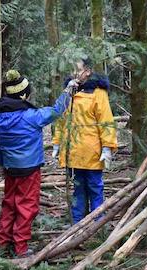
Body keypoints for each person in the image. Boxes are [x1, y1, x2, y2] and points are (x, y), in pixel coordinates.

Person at [0, 70, 86, 258]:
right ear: (24, 94)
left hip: (10, 168)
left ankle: (3, 242)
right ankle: (21, 248)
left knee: (9, 203)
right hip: (29, 169)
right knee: (26, 206)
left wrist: (2, 164)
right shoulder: (33, 116)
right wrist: (68, 91)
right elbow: (57, 110)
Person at [53, 58, 118, 224]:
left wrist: (107, 147)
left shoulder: (98, 93)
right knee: (78, 190)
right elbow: (61, 119)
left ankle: (98, 225)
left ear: (87, 71)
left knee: (95, 188)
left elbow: (106, 121)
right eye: (71, 69)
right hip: (72, 154)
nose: (73, 72)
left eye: (76, 68)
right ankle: (77, 225)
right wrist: (57, 143)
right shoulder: (68, 92)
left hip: (92, 153)